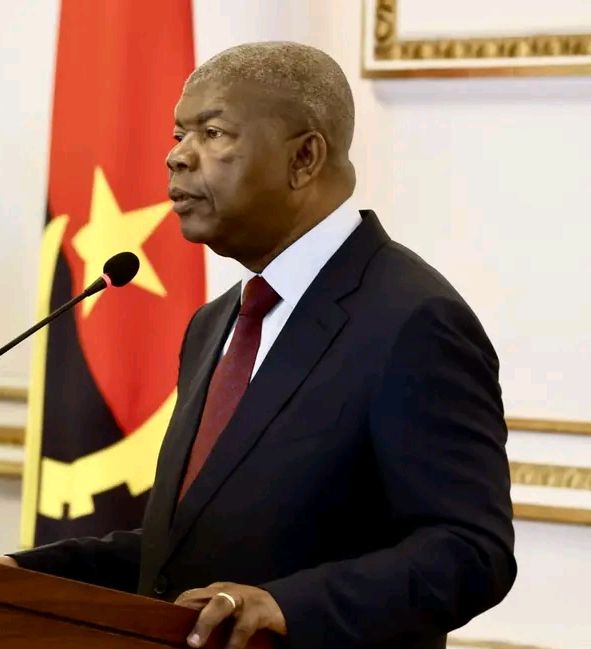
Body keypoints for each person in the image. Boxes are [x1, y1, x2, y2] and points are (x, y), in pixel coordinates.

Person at [0, 42, 516, 649]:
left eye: (213, 133)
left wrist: (287, 606)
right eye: (179, 134)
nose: (176, 156)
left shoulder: (413, 320)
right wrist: (23, 575)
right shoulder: (216, 322)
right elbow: (185, 550)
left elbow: (470, 550)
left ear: (303, 158)